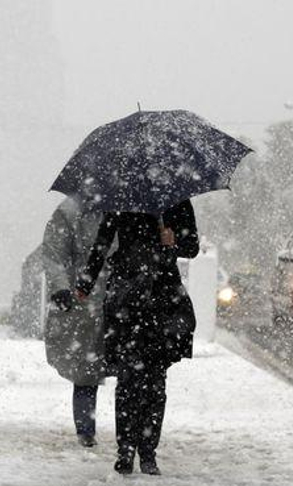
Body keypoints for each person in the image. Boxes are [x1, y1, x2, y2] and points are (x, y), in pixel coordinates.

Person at [77, 199, 198, 476]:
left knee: (155, 381)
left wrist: (174, 240)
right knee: (129, 379)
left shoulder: (176, 201)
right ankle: (126, 450)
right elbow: (102, 242)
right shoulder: (123, 199)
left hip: (163, 299)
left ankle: (147, 451)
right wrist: (86, 282)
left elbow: (192, 246)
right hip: (127, 299)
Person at [40, 195, 107, 448]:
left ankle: (129, 435)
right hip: (86, 299)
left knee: (125, 368)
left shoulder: (131, 208)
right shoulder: (70, 212)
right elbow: (54, 254)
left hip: (121, 297)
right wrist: (61, 288)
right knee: (86, 368)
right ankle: (86, 429)